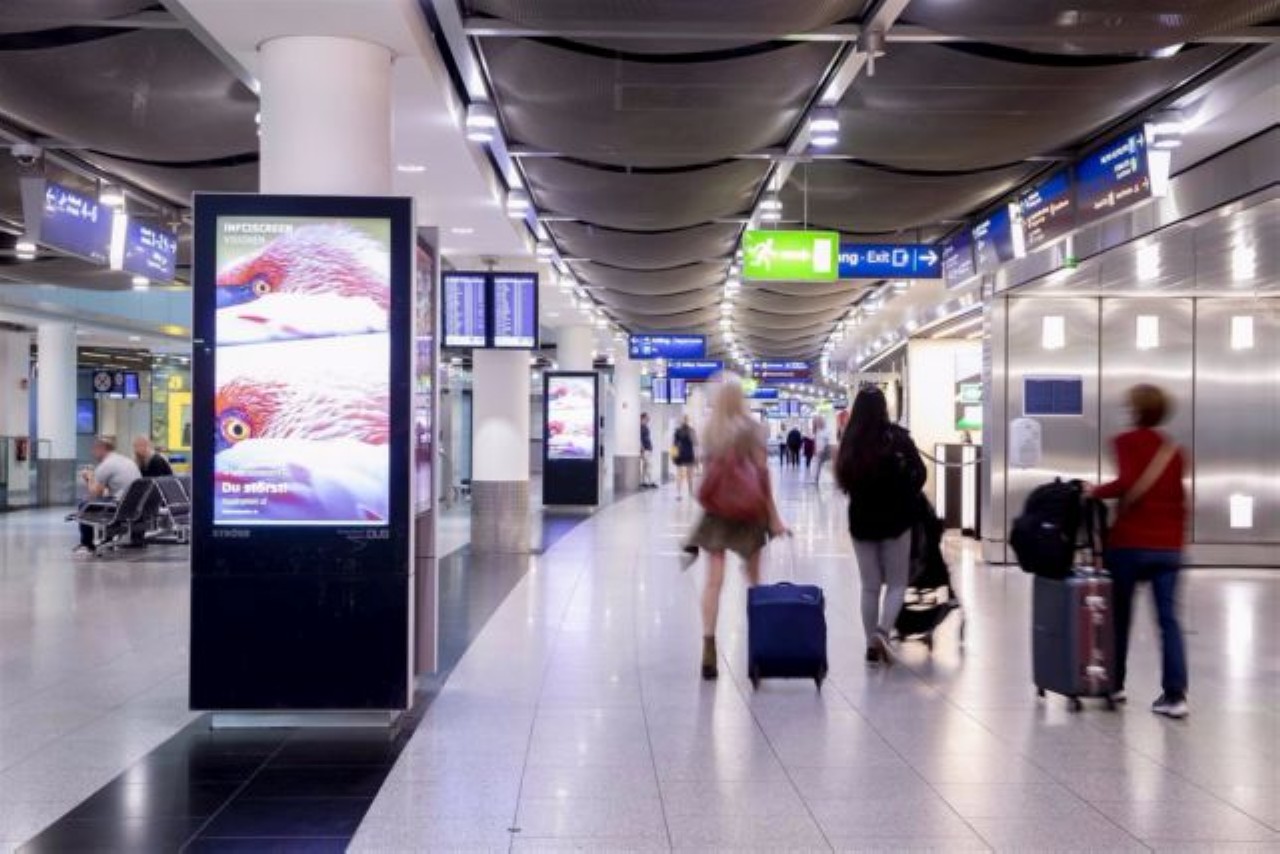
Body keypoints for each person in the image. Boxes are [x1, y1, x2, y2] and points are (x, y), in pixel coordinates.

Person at [1088, 384, 1189, 718]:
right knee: (1168, 621)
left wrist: (1093, 491)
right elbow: (1180, 500)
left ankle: (1114, 685)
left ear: (1135, 411)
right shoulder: (1174, 451)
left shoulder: (1125, 441)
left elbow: (1127, 483)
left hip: (1130, 544)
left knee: (1119, 618)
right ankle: (1175, 696)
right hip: (1168, 548)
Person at [684, 375, 788, 680]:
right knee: (754, 581)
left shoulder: (709, 430)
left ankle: (708, 647)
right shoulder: (752, 429)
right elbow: (762, 474)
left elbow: (707, 474)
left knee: (713, 582)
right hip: (749, 512)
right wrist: (774, 517)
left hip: (716, 513)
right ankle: (761, 645)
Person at [835, 386, 926, 665]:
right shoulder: (898, 438)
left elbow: (843, 479)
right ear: (884, 408)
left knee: (870, 586)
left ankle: (870, 646)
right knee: (897, 583)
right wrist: (905, 493)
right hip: (896, 520)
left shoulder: (850, 440)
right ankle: (882, 633)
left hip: (862, 520)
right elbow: (920, 473)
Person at [75, 437, 142, 556]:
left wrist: (89, 478)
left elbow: (95, 494)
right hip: (134, 505)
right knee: (105, 500)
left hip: (120, 507)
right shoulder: (126, 460)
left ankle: (86, 544)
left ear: (101, 449)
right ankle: (108, 538)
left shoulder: (106, 465)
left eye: (94, 449)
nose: (93, 452)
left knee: (84, 505)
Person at [672, 415, 697, 500]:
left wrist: (674, 455)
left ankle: (688, 492)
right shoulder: (681, 431)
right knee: (683, 474)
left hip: (686, 454)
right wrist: (674, 455)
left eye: (685, 419)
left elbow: (695, 443)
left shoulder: (688, 430)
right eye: (684, 419)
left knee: (688, 474)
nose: (684, 421)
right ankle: (681, 493)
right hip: (684, 454)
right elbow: (674, 444)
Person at [812, 415, 833, 484]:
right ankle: (816, 479)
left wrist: (824, 450)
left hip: (826, 451)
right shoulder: (817, 431)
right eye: (817, 422)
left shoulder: (827, 431)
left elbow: (829, 442)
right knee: (817, 465)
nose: (817, 424)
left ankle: (819, 479)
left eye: (818, 422)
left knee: (823, 466)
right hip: (819, 452)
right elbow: (816, 441)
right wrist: (816, 450)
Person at [639, 413, 656, 489]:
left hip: (648, 449)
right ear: (642, 418)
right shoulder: (640, 427)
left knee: (645, 467)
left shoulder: (646, 427)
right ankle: (650, 482)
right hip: (645, 449)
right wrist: (642, 447)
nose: (648, 419)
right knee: (649, 465)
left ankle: (644, 482)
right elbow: (639, 439)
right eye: (647, 418)